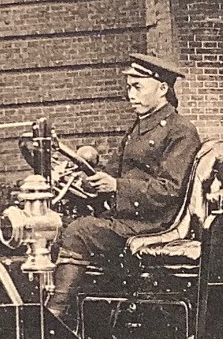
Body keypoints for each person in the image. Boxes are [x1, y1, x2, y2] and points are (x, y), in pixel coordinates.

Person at [46, 53, 202, 324]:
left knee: (80, 232)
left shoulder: (181, 131)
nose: (130, 94)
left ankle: (53, 318)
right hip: (127, 217)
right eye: (129, 87)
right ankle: (78, 320)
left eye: (137, 87)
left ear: (162, 88)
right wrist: (91, 182)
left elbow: (170, 190)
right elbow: (114, 172)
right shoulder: (139, 128)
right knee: (55, 228)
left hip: (156, 223)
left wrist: (116, 187)